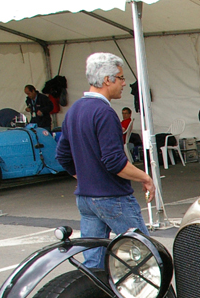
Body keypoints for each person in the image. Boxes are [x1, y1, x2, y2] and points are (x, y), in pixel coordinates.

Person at [55, 52, 155, 270]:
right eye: (120, 78)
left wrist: (83, 176)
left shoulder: (73, 112)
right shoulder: (104, 113)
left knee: (93, 262)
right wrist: (145, 177)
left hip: (86, 198)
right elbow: (114, 162)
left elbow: (62, 155)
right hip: (113, 197)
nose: (123, 83)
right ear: (107, 80)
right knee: (144, 256)